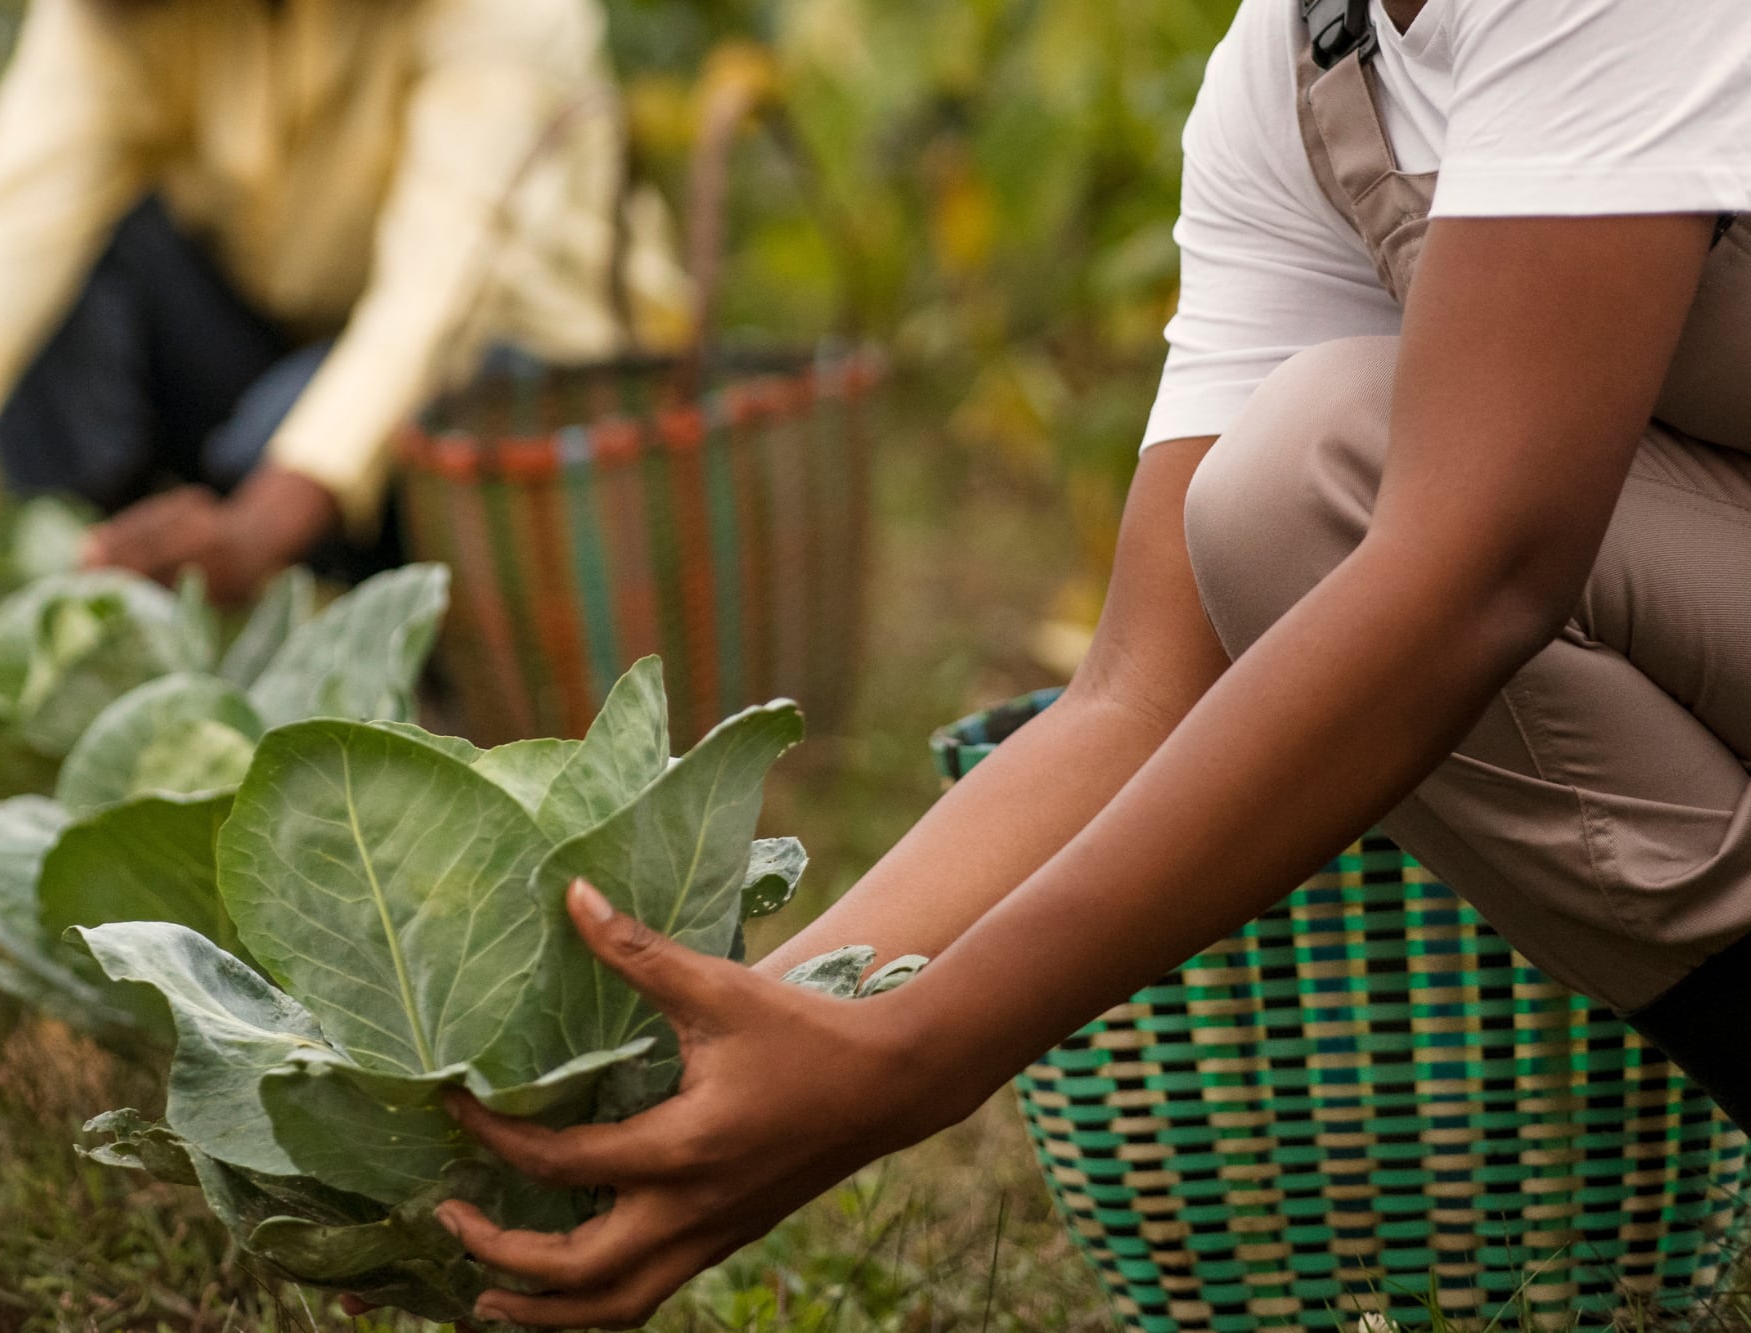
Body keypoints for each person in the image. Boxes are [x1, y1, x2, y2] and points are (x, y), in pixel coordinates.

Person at [385, 0, 1751, 1326]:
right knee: (1286, 499)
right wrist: (734, 1044)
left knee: (1336, 478)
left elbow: (1474, 575)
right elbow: (1141, 693)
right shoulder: (1309, 68)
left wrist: (915, 1060)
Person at [0, 0, 687, 618]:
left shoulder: (505, 16)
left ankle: (371, 617)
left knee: (279, 444)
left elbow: (433, 306)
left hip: (523, 366)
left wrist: (256, 526)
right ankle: (107, 587)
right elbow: (16, 211)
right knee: (82, 269)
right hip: (287, 337)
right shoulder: (129, 13)